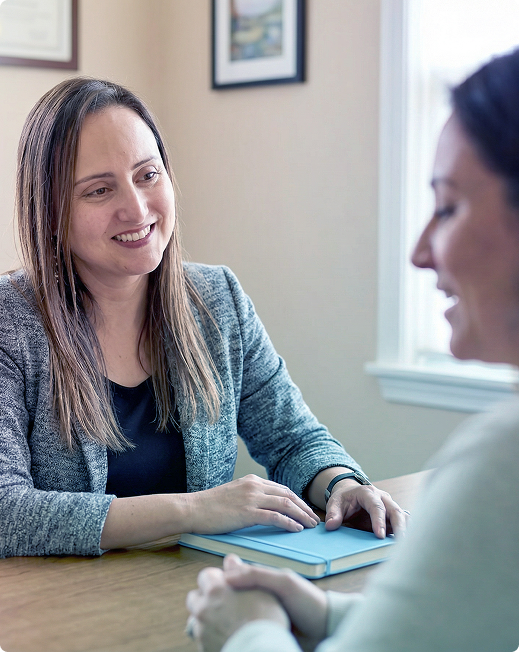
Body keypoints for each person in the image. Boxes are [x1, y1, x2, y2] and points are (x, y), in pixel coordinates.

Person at [186, 48, 519, 652]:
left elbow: (291, 436)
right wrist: (326, 613)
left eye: (448, 206)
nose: (420, 251)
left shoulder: (506, 460)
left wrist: (248, 631)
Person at [0, 77, 406, 558]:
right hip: (68, 615)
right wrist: (193, 510)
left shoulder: (217, 299)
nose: (136, 207)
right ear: (49, 210)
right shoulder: (12, 322)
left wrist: (340, 483)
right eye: (99, 190)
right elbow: (7, 512)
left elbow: (294, 440)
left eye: (147, 175)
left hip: (201, 596)